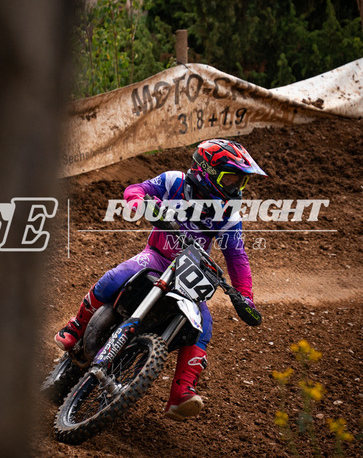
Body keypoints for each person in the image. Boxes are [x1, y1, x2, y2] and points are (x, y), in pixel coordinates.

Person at [55, 139, 267, 421]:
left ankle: (182, 393)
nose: (236, 188)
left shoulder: (228, 214)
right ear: (207, 171)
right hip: (157, 256)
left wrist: (244, 296)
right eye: (231, 179)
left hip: (190, 273)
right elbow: (136, 189)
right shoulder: (174, 182)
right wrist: (141, 202)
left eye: (241, 182)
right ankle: (76, 326)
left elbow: (236, 256)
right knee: (116, 276)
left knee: (204, 324)